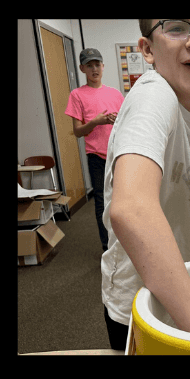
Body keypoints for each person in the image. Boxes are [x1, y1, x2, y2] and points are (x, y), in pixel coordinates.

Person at [102, 20, 190, 350]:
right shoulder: (153, 96)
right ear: (147, 49)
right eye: (177, 27)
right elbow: (131, 210)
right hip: (145, 301)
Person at [66, 48, 123, 252]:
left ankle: (125, 242)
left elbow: (126, 124)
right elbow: (78, 131)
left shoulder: (115, 94)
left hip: (118, 156)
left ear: (103, 66)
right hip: (97, 158)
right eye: (89, 65)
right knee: (102, 202)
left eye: (97, 64)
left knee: (123, 199)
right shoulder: (77, 95)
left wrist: (117, 122)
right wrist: (96, 122)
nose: (94, 69)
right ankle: (106, 245)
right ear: (82, 68)